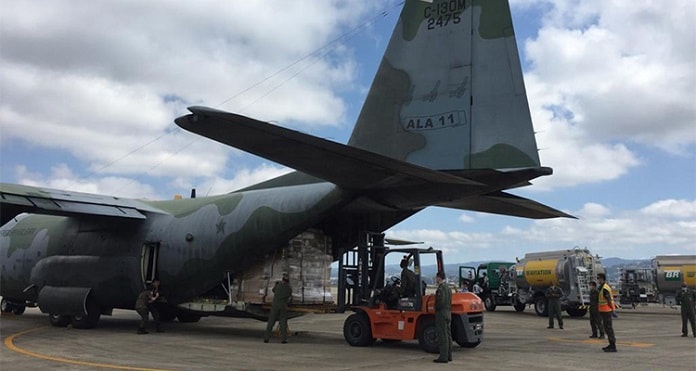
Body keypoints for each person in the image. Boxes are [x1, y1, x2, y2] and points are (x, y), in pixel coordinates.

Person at [264, 274, 293, 343]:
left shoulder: (278, 285)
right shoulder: (289, 288)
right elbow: (290, 297)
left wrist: (276, 284)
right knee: (283, 322)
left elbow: (273, 290)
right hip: (283, 306)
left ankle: (266, 338)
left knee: (271, 321)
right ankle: (283, 339)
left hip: (275, 305)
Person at [433, 272, 452, 363]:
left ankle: (443, 357)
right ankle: (449, 355)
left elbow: (440, 301)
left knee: (442, 336)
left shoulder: (441, 289)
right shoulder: (448, 288)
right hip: (448, 313)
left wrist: (435, 307)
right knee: (448, 335)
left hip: (441, 314)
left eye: (436, 278)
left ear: (439, 278)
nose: (436, 280)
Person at [597, 273, 617, 352]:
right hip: (604, 311)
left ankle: (613, 346)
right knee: (607, 328)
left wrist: (612, 310)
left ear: (602, 279)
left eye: (598, 278)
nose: (598, 280)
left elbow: (608, 300)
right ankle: (611, 344)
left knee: (609, 329)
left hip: (607, 311)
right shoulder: (601, 287)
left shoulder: (605, 288)